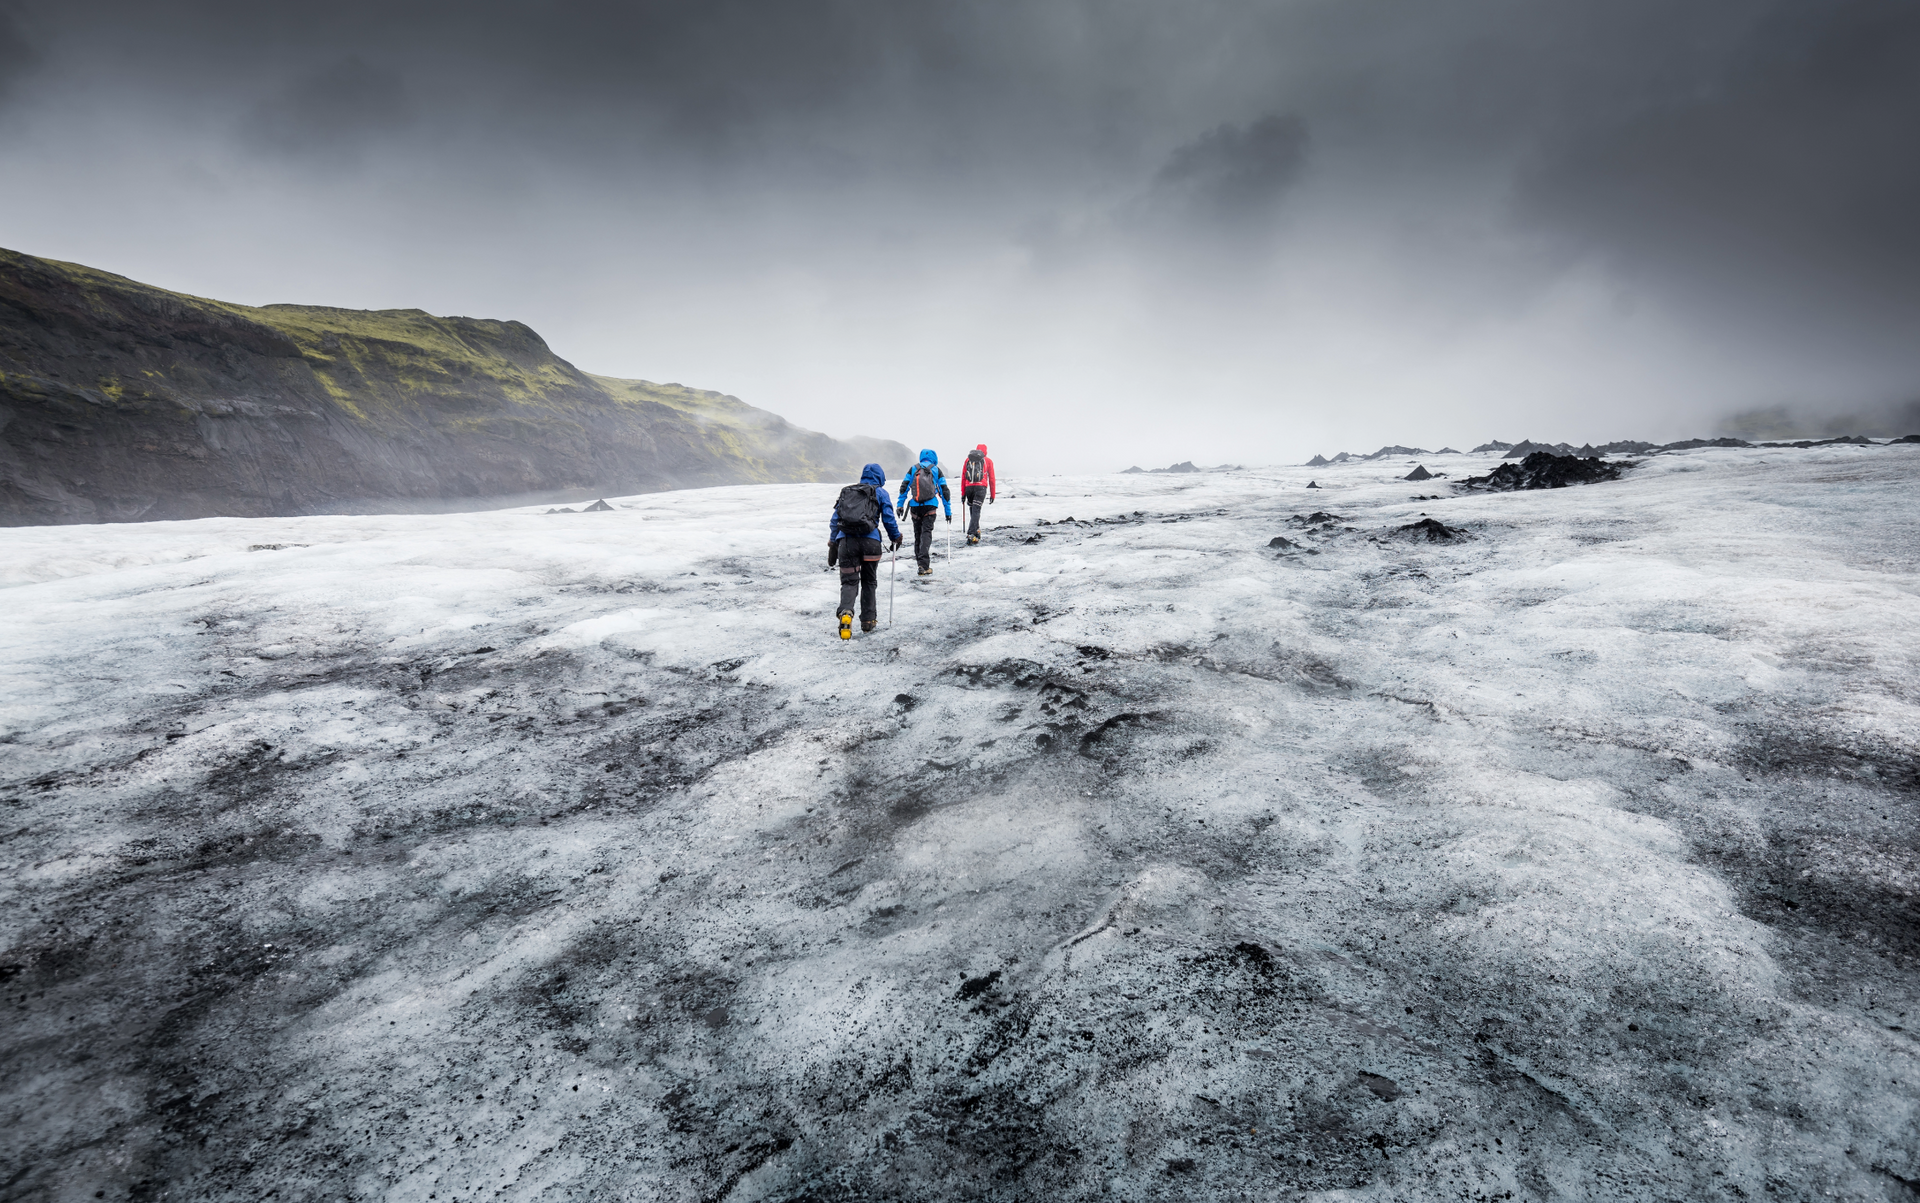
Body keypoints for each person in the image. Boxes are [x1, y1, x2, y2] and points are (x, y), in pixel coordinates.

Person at [829, 463, 903, 638]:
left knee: (849, 582)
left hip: (846, 543)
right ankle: (868, 621)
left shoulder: (848, 492)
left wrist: (833, 543)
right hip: (871, 542)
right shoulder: (881, 493)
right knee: (869, 582)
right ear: (880, 477)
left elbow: (835, 519)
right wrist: (896, 536)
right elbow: (888, 518)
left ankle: (846, 612)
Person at [896, 448, 951, 576]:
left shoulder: (914, 468)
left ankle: (920, 564)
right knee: (926, 534)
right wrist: (948, 511)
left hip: (915, 507)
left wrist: (900, 505)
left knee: (918, 535)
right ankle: (924, 565)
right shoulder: (936, 470)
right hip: (930, 507)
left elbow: (904, 487)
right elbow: (945, 491)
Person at [960, 443, 996, 545]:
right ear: (985, 451)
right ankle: (971, 533)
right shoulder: (988, 461)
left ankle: (976, 531)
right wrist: (992, 494)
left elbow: (963, 477)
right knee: (976, 510)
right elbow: (992, 478)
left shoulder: (968, 460)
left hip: (969, 487)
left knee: (973, 510)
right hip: (981, 487)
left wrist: (963, 494)